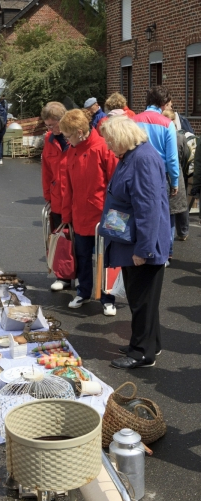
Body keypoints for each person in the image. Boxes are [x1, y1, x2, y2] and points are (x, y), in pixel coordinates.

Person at [99, 116, 170, 369]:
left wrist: (144, 250)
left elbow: (149, 208)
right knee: (144, 300)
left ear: (122, 137)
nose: (108, 146)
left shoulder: (142, 158)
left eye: (110, 141)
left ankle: (142, 353)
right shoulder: (134, 155)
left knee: (141, 300)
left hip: (141, 244)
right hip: (134, 239)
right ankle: (152, 344)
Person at [59, 109, 118, 315]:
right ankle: (84, 292)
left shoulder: (103, 148)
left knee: (107, 258)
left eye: (68, 135)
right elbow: (68, 189)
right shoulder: (72, 151)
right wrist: (67, 216)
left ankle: (108, 296)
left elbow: (115, 184)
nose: (66, 140)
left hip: (104, 214)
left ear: (80, 131)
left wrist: (115, 217)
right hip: (80, 214)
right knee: (82, 255)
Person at [41, 101, 71, 291]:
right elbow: (46, 170)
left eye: (53, 125)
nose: (50, 129)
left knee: (80, 242)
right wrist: (48, 195)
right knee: (60, 238)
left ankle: (84, 279)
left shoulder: (74, 138)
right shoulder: (48, 139)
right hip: (57, 196)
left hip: (75, 197)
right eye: (48, 126)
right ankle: (64, 276)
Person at [133, 86, 179, 196]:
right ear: (164, 102)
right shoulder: (168, 124)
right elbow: (172, 158)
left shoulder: (133, 121)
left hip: (137, 174)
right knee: (159, 211)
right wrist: (175, 181)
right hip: (160, 175)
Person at [162, 109, 190, 247]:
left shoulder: (161, 134)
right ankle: (183, 232)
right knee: (179, 206)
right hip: (177, 173)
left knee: (169, 212)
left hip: (164, 174)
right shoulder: (180, 136)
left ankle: (167, 248)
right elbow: (185, 155)